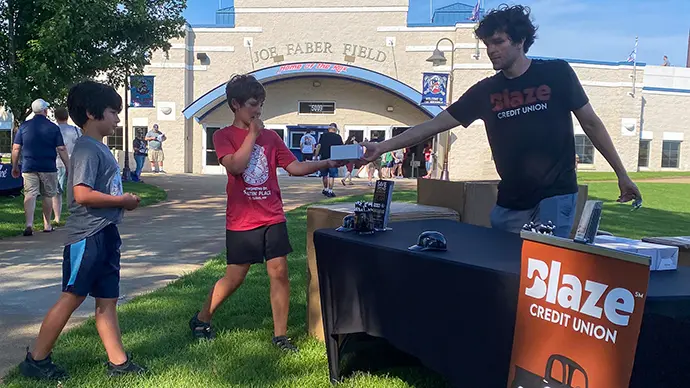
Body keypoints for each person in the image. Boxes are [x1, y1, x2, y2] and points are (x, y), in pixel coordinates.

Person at [360, 4, 641, 238]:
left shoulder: (557, 74)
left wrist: (622, 174)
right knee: (504, 270)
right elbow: (433, 125)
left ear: (520, 42)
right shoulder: (486, 91)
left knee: (541, 272)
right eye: (487, 44)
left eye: (499, 42)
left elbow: (591, 123)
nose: (492, 50)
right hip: (510, 200)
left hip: (555, 195)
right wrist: (382, 147)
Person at [188, 74, 344, 352]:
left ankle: (280, 336)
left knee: (280, 272)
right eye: (252, 104)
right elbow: (235, 166)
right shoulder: (223, 135)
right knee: (235, 277)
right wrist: (251, 135)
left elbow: (294, 167)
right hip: (242, 220)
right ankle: (202, 319)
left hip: (272, 216)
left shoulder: (272, 138)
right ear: (235, 104)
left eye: (260, 104)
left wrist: (327, 162)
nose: (258, 110)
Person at [18, 81, 146, 381]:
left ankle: (119, 363)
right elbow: (82, 194)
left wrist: (119, 206)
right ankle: (36, 359)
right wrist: (122, 201)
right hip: (87, 237)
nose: (117, 119)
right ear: (91, 113)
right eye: (113, 112)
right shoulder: (87, 149)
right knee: (72, 297)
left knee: (107, 300)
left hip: (106, 233)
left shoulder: (99, 148)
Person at [11, 98, 69, 236]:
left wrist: (14, 166)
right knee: (47, 195)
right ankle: (47, 224)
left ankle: (29, 224)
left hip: (29, 165)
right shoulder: (53, 127)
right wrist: (68, 166)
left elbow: (16, 148)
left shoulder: (24, 126)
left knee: (30, 193)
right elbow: (61, 148)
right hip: (48, 166)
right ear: (45, 110)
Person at [53, 107, 82, 224]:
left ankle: (57, 217)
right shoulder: (75, 130)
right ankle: (76, 214)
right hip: (74, 163)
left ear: (56, 117)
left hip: (57, 162)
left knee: (57, 192)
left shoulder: (53, 130)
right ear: (67, 116)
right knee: (75, 189)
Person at [315, 123, 343, 197]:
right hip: (333, 159)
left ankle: (325, 189)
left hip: (323, 158)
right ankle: (330, 191)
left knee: (324, 175)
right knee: (331, 175)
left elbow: (319, 146)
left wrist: (315, 156)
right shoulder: (338, 137)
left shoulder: (323, 136)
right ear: (335, 129)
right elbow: (341, 148)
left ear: (329, 129)